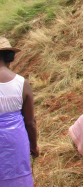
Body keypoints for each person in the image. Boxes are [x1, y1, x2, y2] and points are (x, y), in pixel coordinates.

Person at [0, 38, 38, 187]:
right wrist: (33, 146)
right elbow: (30, 122)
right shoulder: (22, 83)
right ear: (10, 57)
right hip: (15, 142)